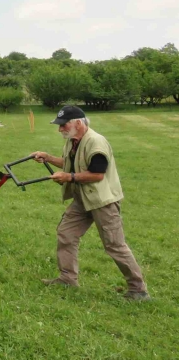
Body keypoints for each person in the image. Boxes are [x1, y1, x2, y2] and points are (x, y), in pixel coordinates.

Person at [31, 105, 150, 301]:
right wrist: (48, 157)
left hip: (103, 201)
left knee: (114, 245)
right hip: (82, 198)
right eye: (59, 126)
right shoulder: (73, 141)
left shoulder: (96, 142)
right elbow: (71, 163)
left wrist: (69, 177)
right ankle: (67, 278)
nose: (60, 129)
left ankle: (138, 289)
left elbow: (96, 174)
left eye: (63, 125)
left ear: (78, 123)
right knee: (66, 233)